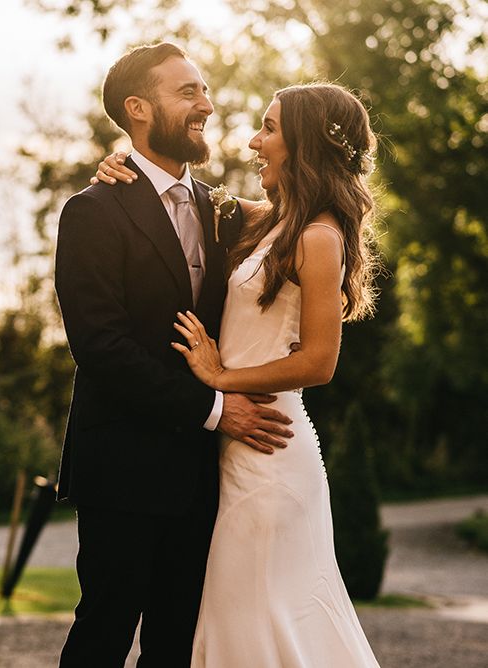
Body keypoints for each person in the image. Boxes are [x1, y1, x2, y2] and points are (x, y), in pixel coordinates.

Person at [95, 82, 382, 666]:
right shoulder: (266, 223)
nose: (254, 141)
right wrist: (122, 160)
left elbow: (320, 362)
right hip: (232, 450)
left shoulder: (320, 236)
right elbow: (181, 198)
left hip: (272, 452)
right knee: (232, 613)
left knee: (259, 615)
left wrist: (218, 377)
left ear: (304, 145)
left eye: (270, 129)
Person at [54, 43, 295, 667]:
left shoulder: (223, 212)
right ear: (138, 108)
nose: (206, 105)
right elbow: (101, 349)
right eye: (187, 93)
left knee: (178, 643)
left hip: (199, 475)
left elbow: (308, 216)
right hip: (122, 468)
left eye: (204, 90)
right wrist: (216, 410)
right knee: (103, 633)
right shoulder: (91, 213)